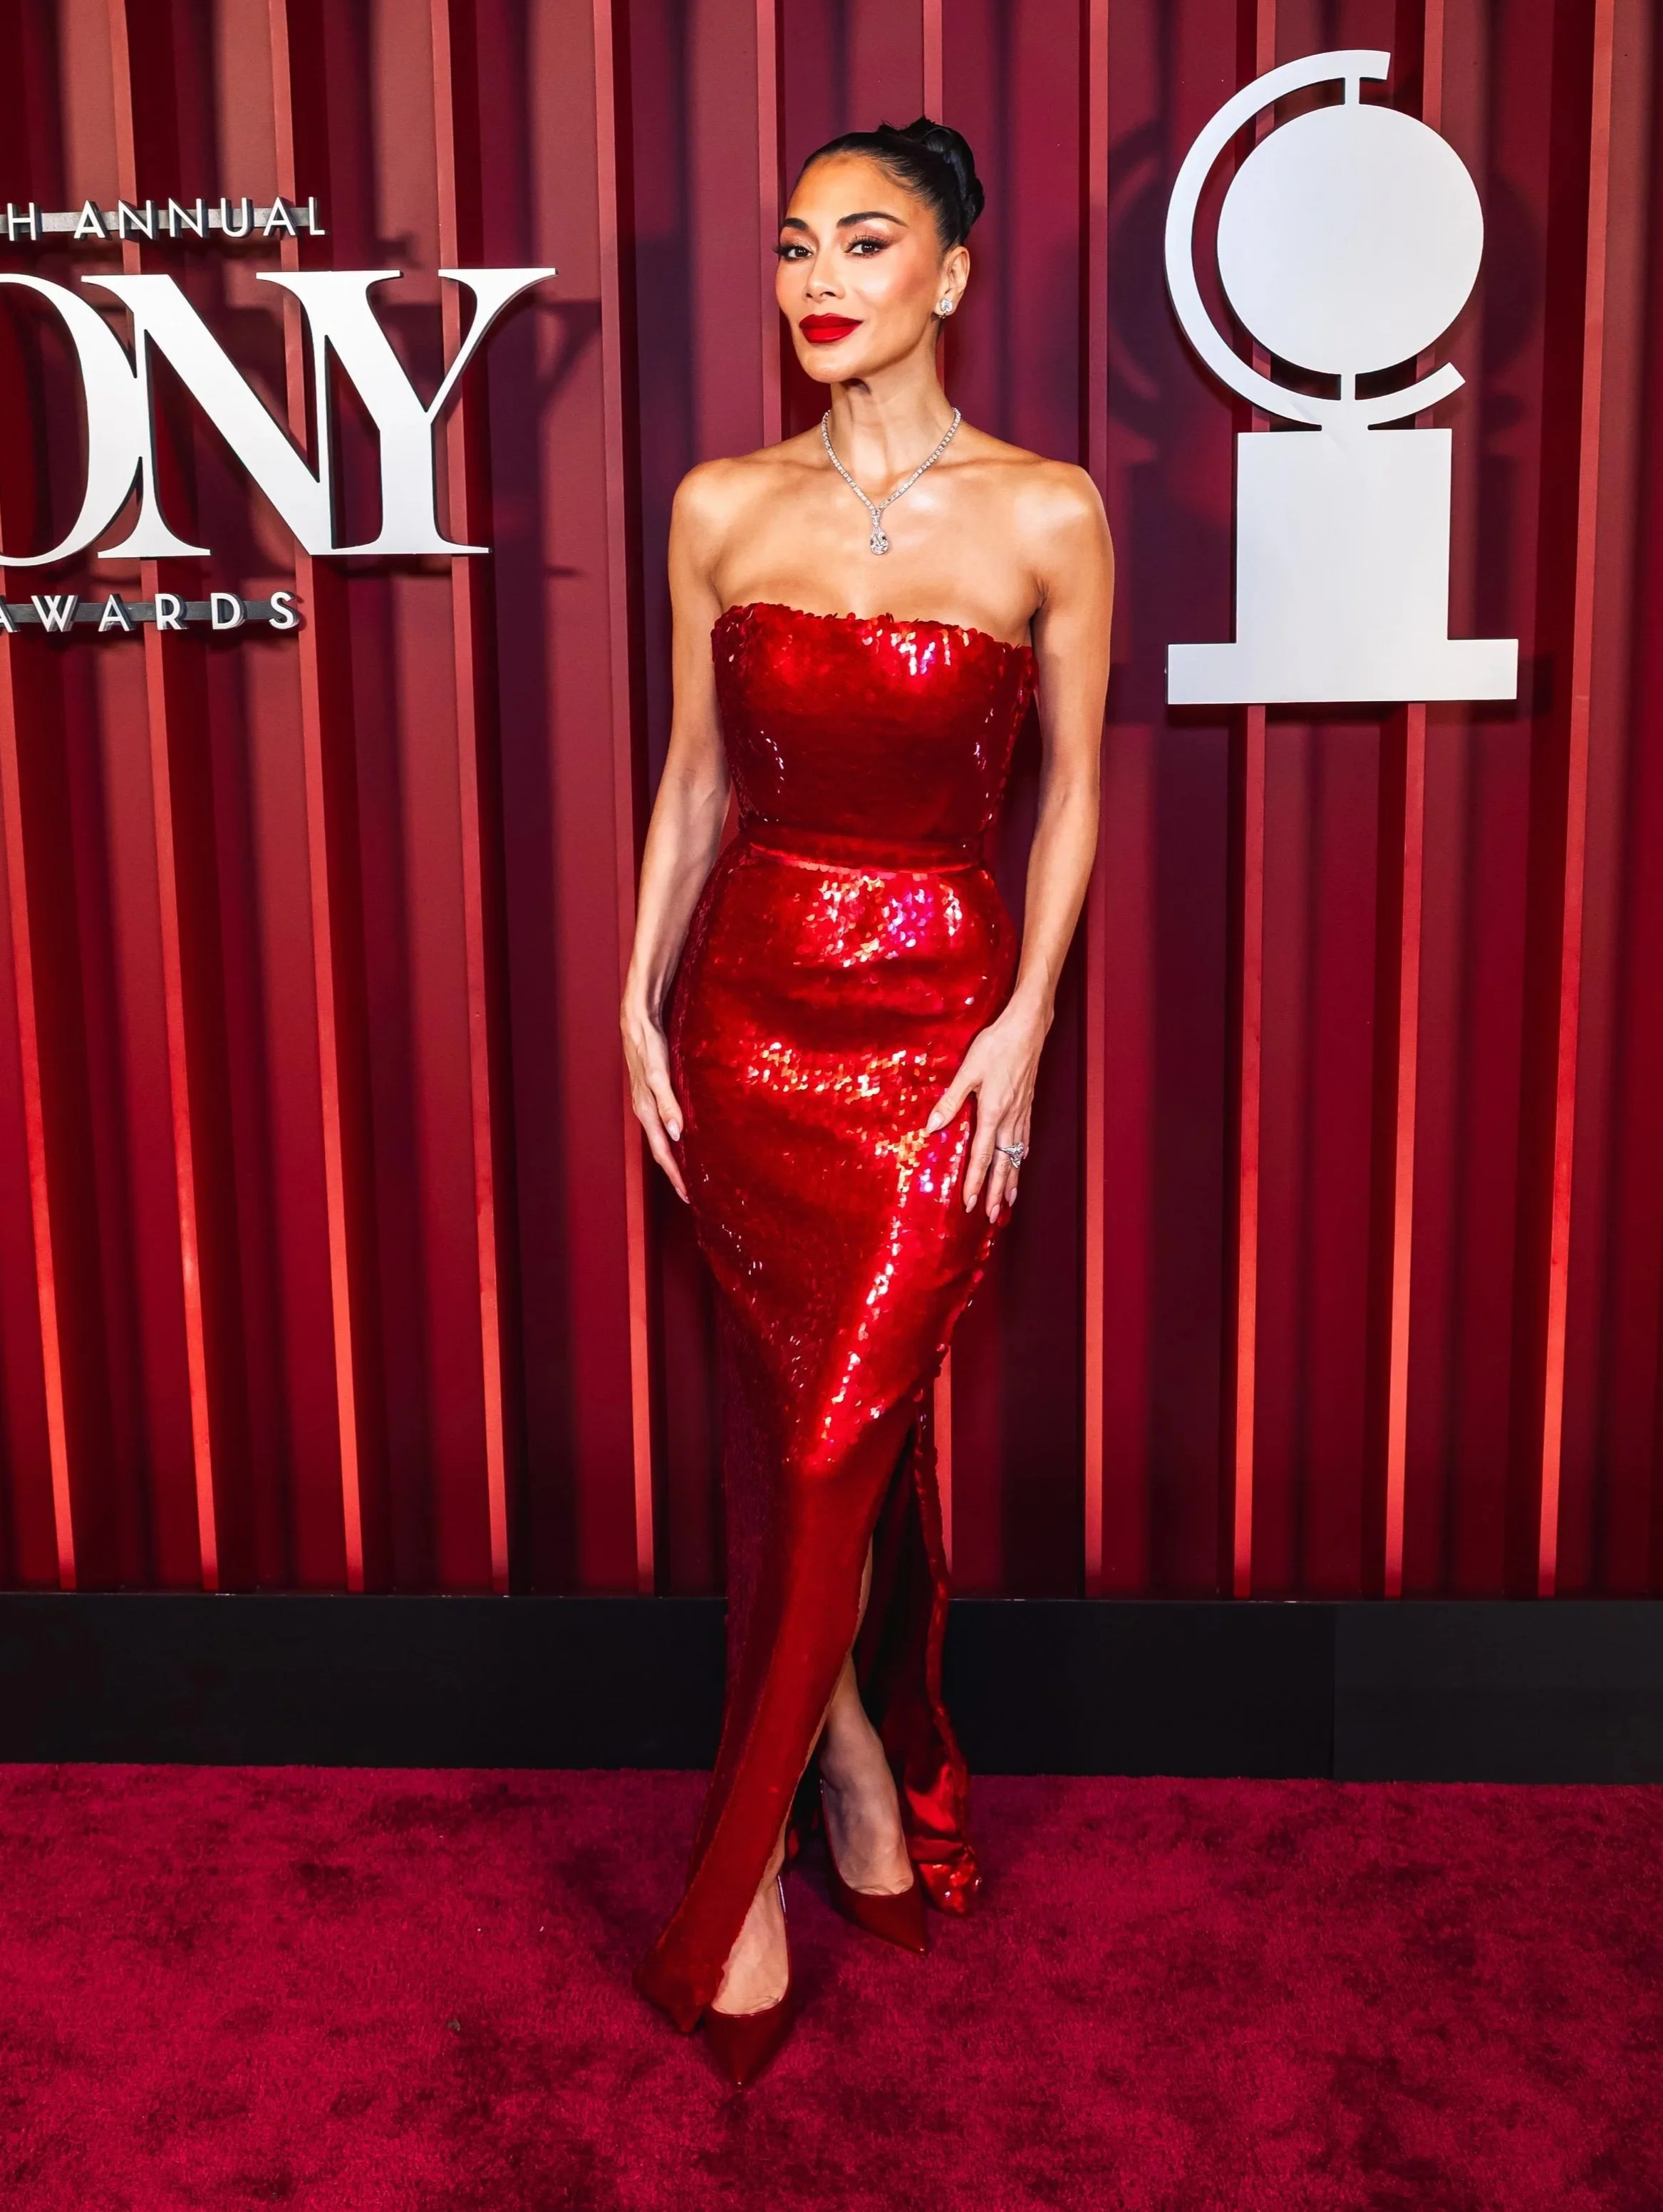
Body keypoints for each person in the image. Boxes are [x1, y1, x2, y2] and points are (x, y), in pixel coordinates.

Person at [619, 117, 1113, 2084]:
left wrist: (1027, 1022)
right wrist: (635, 997)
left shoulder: (1047, 512)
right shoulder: (720, 506)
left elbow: (1071, 793)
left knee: (837, 1442)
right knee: (788, 1434)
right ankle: (831, 1774)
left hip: (936, 1029)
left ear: (952, 275)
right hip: (747, 1018)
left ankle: (755, 1841)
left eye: (867, 242)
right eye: (795, 246)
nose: (820, 280)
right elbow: (692, 779)